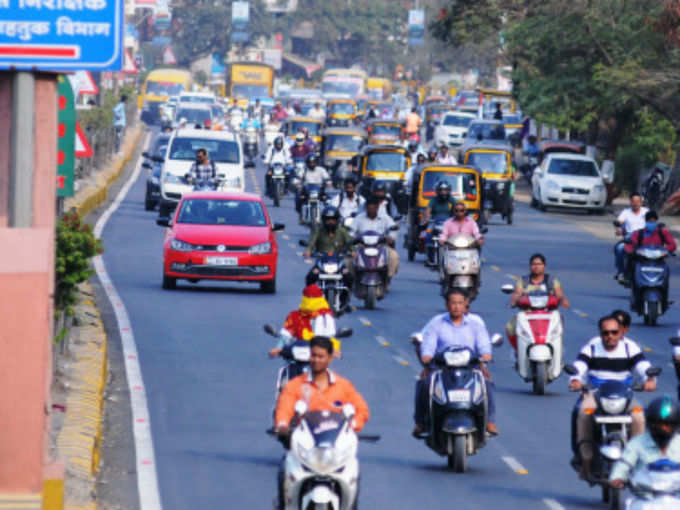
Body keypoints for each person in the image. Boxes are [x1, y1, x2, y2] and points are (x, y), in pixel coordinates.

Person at [274, 336, 369, 508]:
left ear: (330, 358)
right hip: (306, 447)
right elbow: (284, 408)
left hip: (334, 450)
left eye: (321, 356)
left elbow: (361, 410)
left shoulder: (343, 386)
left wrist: (354, 426)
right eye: (313, 355)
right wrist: (282, 425)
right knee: (285, 468)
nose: (316, 360)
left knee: (353, 471)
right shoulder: (295, 385)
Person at [569, 315, 656, 480]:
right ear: (600, 333)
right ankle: (585, 457)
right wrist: (575, 380)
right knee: (582, 413)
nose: (610, 336)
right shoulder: (592, 347)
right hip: (594, 394)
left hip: (624, 395)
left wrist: (649, 380)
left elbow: (643, 366)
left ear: (621, 333)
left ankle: (638, 458)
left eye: (614, 332)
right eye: (606, 333)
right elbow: (579, 365)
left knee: (639, 415)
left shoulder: (630, 348)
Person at [413, 289, 498, 437]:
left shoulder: (475, 324)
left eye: (460, 303)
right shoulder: (437, 323)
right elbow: (429, 345)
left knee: (486, 382)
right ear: (447, 305)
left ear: (466, 304)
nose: (456, 307)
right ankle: (421, 422)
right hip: (442, 367)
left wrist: (486, 355)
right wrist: (427, 356)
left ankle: (489, 421)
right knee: (424, 383)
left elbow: (484, 344)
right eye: (453, 303)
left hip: (470, 367)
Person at [609, 396, 680, 489]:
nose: (663, 429)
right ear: (650, 423)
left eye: (668, 425)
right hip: (645, 497)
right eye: (659, 424)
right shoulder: (637, 443)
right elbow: (624, 463)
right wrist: (618, 478)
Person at [505, 253, 569, 352]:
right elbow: (517, 293)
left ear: (544, 266)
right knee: (510, 327)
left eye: (539, 264)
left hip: (548, 315)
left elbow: (560, 294)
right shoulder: (523, 281)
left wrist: (563, 300)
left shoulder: (551, 281)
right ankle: (519, 350)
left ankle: (557, 352)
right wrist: (514, 300)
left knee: (559, 326)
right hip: (528, 315)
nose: (536, 267)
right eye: (533, 264)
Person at [304, 206, 355, 308]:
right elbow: (312, 242)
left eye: (333, 219)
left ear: (337, 220)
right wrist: (308, 251)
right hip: (322, 261)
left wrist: (353, 252)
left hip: (338, 262)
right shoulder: (319, 231)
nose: (330, 222)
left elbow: (350, 244)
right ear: (324, 220)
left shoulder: (342, 231)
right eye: (328, 219)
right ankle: (310, 300)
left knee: (349, 277)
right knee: (310, 277)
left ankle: (345, 300)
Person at [269, 284, 339, 357]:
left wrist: (334, 349)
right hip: (295, 355)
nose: (310, 301)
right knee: (284, 369)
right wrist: (278, 348)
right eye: (308, 297)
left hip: (319, 356)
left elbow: (330, 337)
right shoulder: (294, 316)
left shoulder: (326, 317)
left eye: (313, 298)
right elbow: (285, 336)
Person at [352, 197, 400, 283]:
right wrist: (352, 239)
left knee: (394, 256)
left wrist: (391, 238)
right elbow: (351, 232)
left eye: (373, 208)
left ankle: (387, 278)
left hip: (381, 246)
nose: (371, 210)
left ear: (377, 208)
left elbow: (393, 229)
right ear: (366, 208)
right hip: (362, 246)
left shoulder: (385, 218)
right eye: (369, 208)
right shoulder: (359, 218)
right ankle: (353, 280)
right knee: (348, 259)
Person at [614, 192, 648, 282]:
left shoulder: (646, 212)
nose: (636, 203)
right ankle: (621, 272)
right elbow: (619, 222)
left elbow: (653, 222)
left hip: (644, 239)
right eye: (633, 201)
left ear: (641, 202)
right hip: (630, 239)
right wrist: (619, 229)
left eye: (638, 201)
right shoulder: (626, 212)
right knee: (619, 249)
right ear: (630, 202)